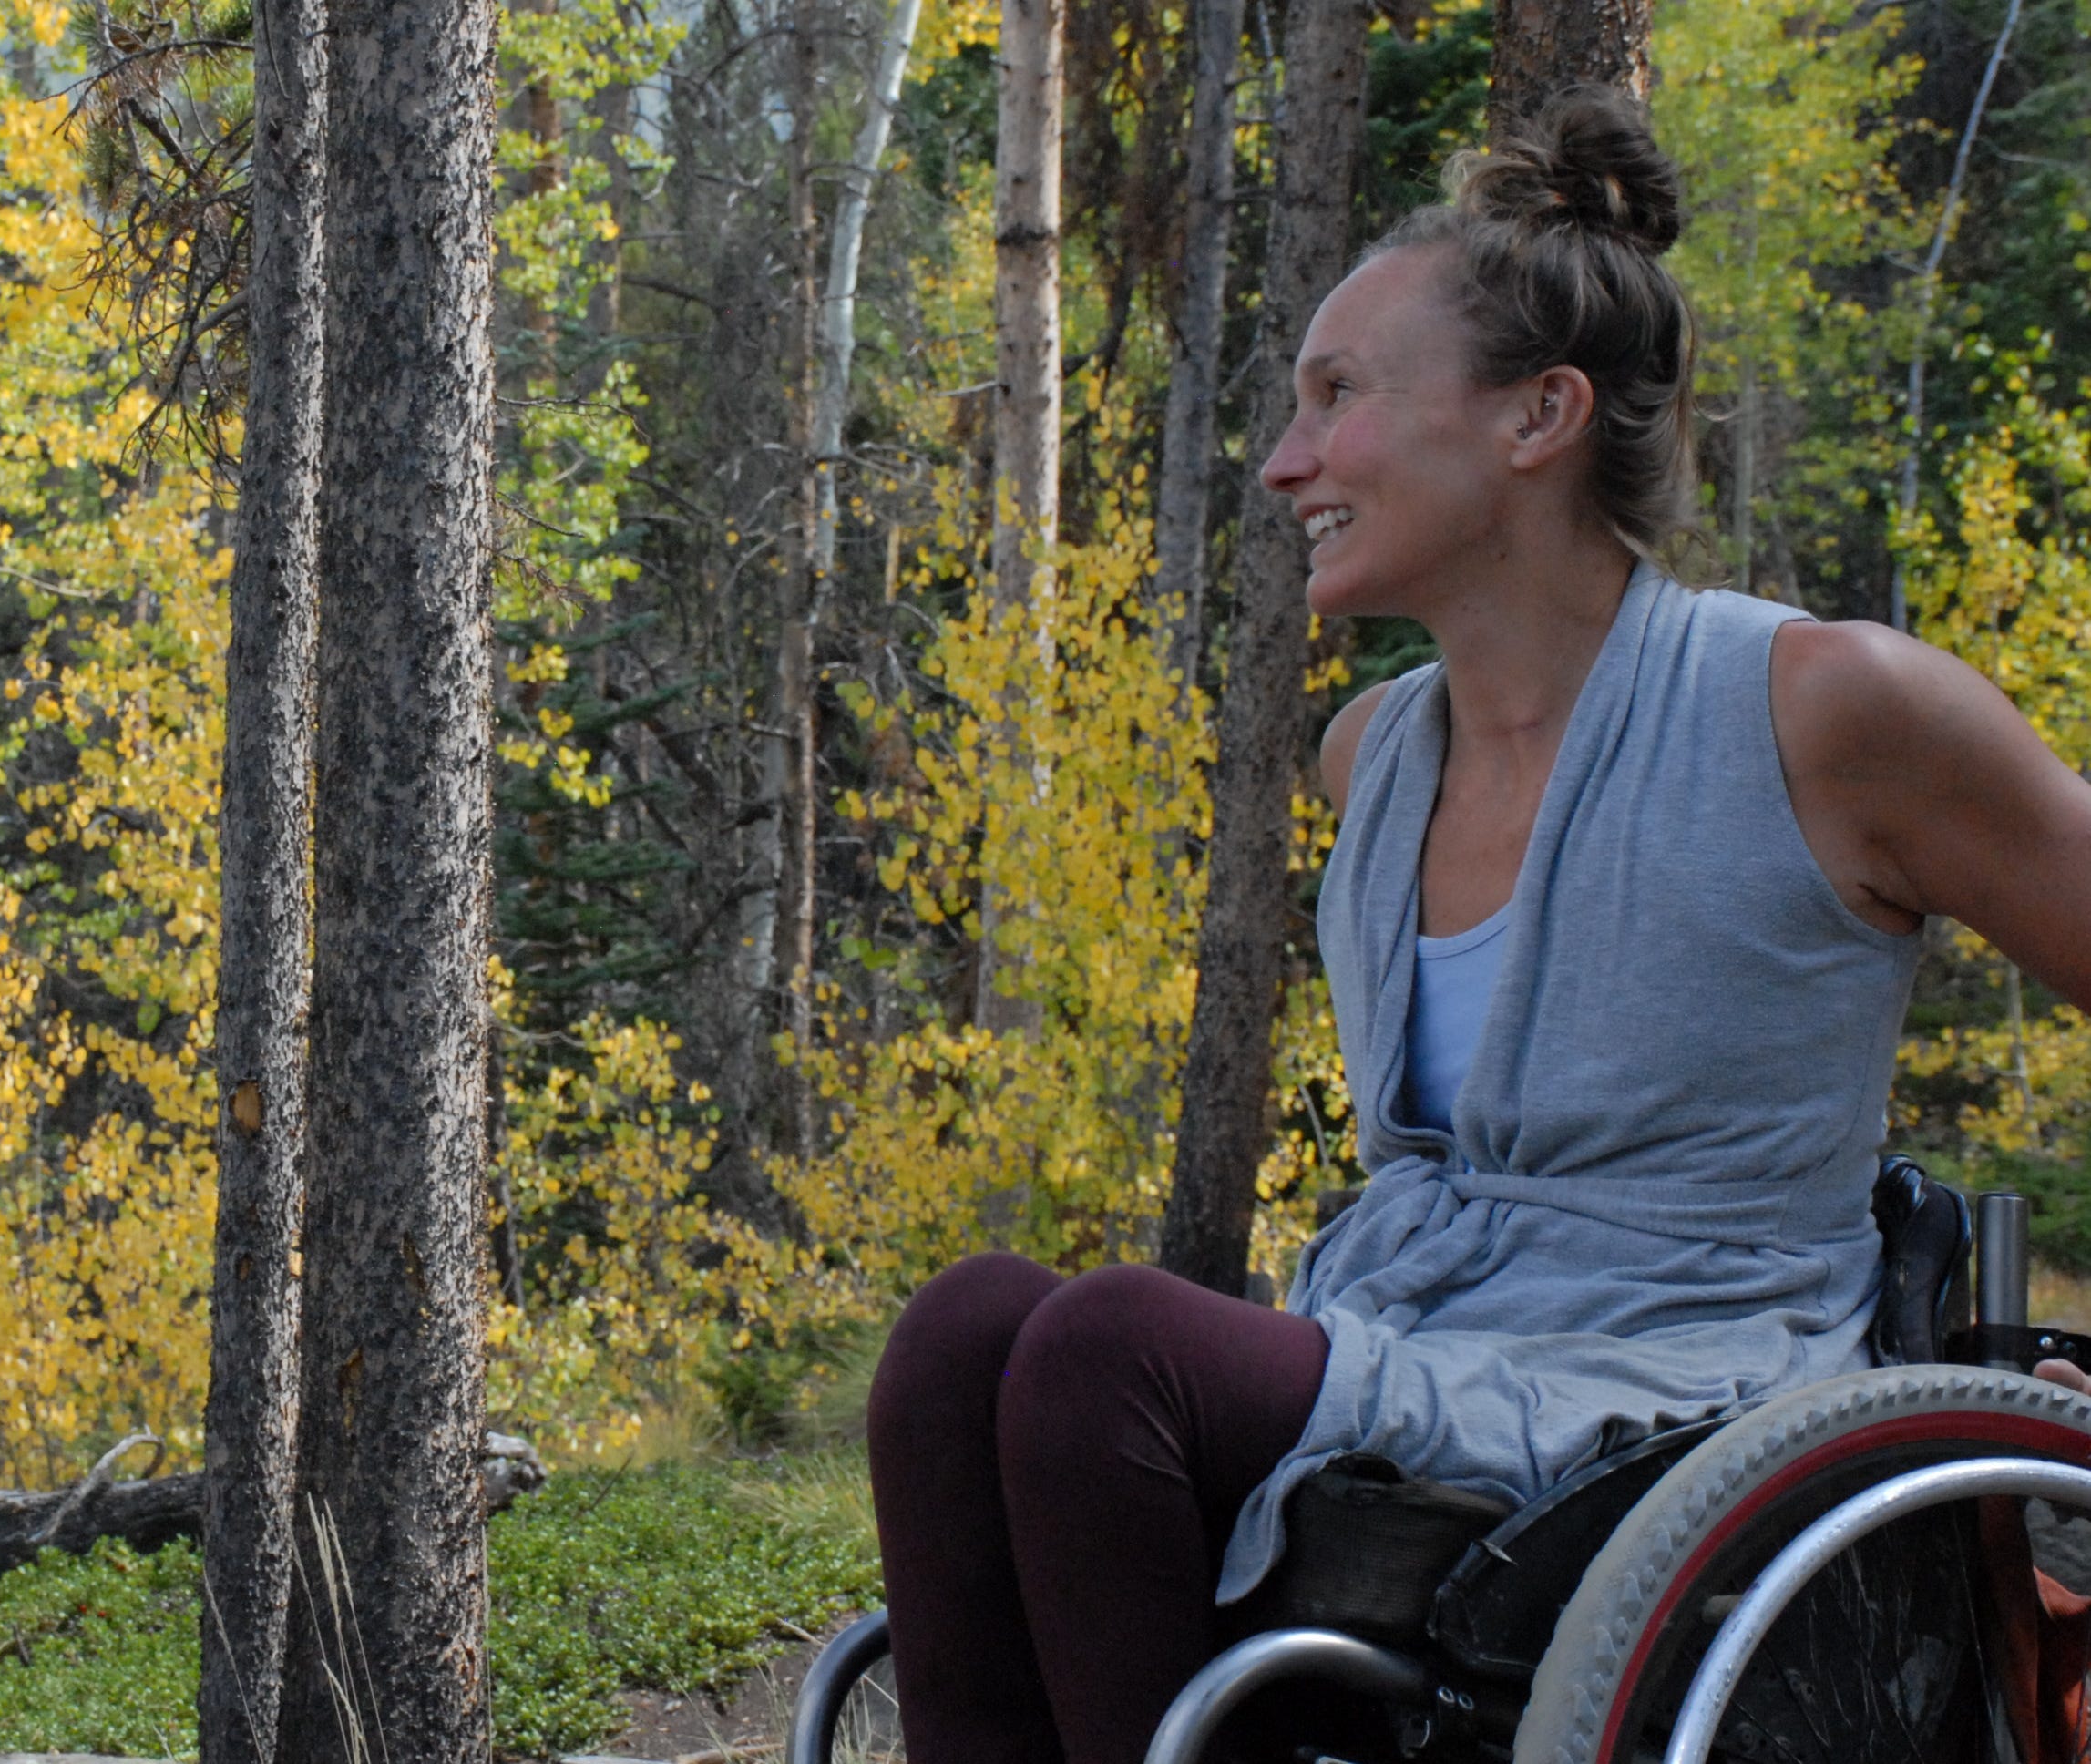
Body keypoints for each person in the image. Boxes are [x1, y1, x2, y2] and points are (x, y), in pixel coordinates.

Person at [861, 90, 2091, 1764]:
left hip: (1688, 1378)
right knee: (961, 1338)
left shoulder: (1821, 707)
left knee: (1104, 1353)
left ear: (1537, 417)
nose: (1286, 460)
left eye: (1337, 397)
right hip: (1428, 1330)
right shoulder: (1374, 755)